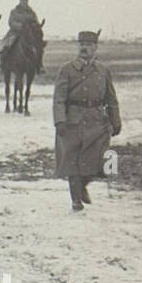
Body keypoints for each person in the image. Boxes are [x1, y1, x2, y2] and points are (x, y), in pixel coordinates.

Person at [53, 30, 121, 211]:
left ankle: (83, 183)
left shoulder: (103, 70)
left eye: (89, 45)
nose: (84, 48)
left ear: (95, 48)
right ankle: (76, 199)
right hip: (73, 120)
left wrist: (116, 120)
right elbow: (59, 97)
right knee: (73, 160)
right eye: (81, 44)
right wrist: (60, 120)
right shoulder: (67, 69)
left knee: (99, 159)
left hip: (97, 121)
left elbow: (111, 98)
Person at [1, 0, 45, 74]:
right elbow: (11, 22)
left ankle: (39, 65)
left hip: (28, 34)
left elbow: (35, 22)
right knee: (6, 45)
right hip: (15, 32)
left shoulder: (31, 12)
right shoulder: (14, 11)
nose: (25, 1)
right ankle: (2, 65)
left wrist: (36, 26)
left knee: (38, 47)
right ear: (20, 0)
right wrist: (21, 26)